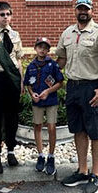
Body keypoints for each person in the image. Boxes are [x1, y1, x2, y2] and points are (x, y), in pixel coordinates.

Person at [56, 0, 98, 193]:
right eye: (80, 8)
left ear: (92, 11)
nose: (83, 11)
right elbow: (61, 60)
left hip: (93, 88)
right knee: (78, 130)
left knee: (95, 132)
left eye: (86, 9)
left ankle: (96, 175)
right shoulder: (67, 32)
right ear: (75, 11)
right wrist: (45, 78)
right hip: (73, 87)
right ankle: (82, 171)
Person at [0, 1, 24, 174]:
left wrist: (21, 82)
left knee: (12, 117)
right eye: (2, 14)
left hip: (12, 80)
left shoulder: (15, 35)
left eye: (8, 14)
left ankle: (11, 151)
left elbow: (19, 60)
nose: (5, 17)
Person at [23, 37, 64, 175]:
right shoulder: (31, 66)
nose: (42, 50)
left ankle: (51, 156)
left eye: (45, 48)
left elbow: (60, 82)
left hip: (51, 100)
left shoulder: (52, 65)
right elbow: (28, 83)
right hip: (37, 102)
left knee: (51, 127)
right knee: (38, 126)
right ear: (35, 48)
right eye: (40, 47)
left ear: (48, 50)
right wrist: (32, 94)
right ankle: (40, 155)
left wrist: (48, 91)